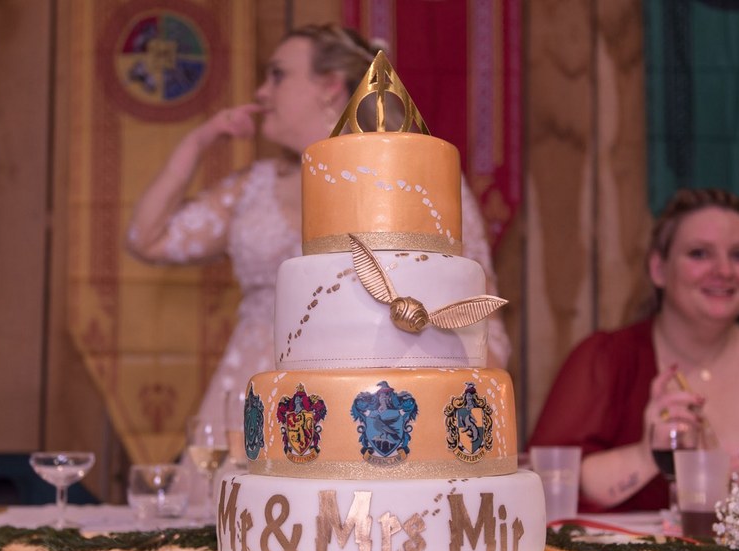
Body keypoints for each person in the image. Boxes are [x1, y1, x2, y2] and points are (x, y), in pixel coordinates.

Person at [126, 24, 510, 441]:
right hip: (247, 396)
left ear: (328, 86)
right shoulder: (253, 185)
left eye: (277, 75)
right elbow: (149, 238)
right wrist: (199, 141)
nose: (260, 92)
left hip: (360, 399)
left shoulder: (409, 182)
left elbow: (476, 315)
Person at [528, 188, 739, 512]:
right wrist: (647, 453)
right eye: (699, 253)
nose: (724, 271)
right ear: (658, 269)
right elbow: (542, 484)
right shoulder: (606, 360)